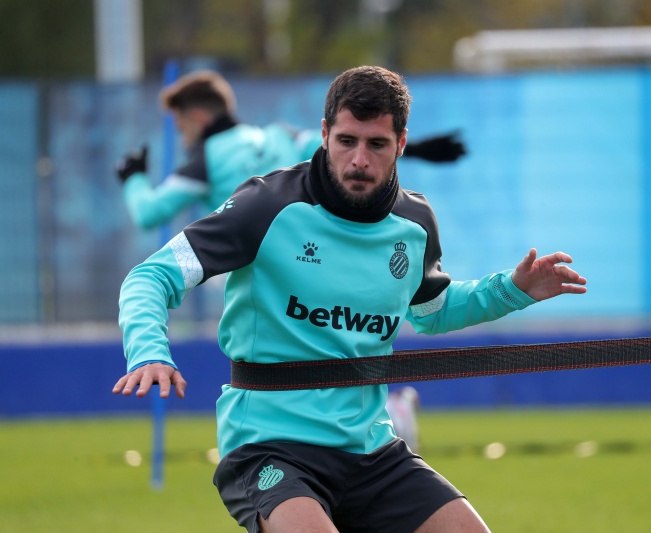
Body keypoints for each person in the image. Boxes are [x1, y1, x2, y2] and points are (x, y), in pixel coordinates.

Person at [113, 65, 587, 532]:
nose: (359, 160)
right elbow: (150, 277)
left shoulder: (415, 223)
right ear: (324, 134)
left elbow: (433, 312)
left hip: (371, 450)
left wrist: (513, 290)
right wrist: (149, 352)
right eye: (346, 141)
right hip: (268, 446)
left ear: (401, 143)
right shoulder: (266, 205)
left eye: (376, 144)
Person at [115, 69, 466, 231]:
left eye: (181, 126)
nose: (182, 136)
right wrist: (417, 149)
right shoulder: (279, 135)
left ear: (198, 117)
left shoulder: (205, 160)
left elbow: (148, 214)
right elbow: (349, 144)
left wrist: (134, 177)